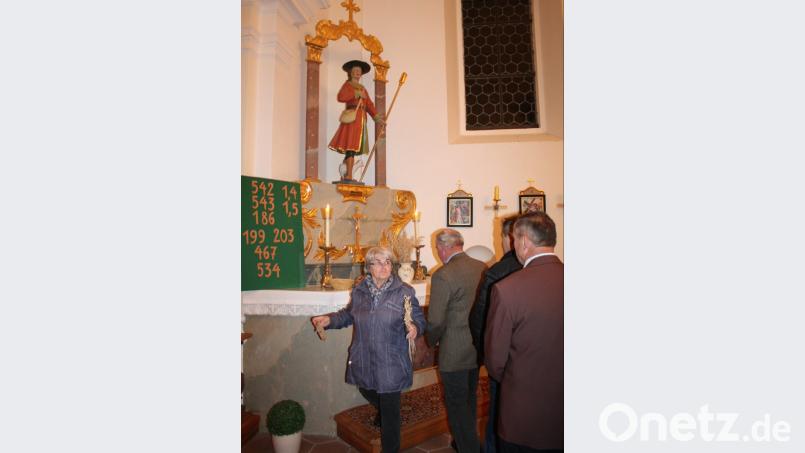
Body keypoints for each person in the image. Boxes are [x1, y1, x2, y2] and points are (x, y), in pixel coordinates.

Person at [311, 246, 425, 453]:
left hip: (391, 359)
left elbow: (418, 319)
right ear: (368, 267)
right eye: (378, 262)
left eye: (388, 262)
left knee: (391, 415)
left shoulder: (404, 292)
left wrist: (415, 328)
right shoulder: (360, 291)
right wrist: (329, 320)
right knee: (364, 387)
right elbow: (348, 315)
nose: (384, 266)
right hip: (365, 355)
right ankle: (384, 407)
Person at [484, 212, 563, 452]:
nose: (513, 245)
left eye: (514, 239)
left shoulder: (507, 289)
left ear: (525, 242)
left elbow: (495, 361)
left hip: (523, 417)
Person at [426, 229, 487, 453]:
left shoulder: (443, 275)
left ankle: (468, 447)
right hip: (475, 347)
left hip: (453, 351)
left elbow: (434, 321)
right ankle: (464, 440)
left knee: (456, 405)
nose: (438, 252)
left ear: (443, 248)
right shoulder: (481, 267)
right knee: (469, 399)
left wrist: (431, 341)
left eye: (437, 248)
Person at [468, 215, 522, 453]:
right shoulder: (543, 269)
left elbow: (479, 318)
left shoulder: (498, 271)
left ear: (510, 238)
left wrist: (486, 359)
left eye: (499, 235)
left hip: (503, 360)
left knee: (497, 416)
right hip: (534, 360)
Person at [328, 60, 385, 183]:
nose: (357, 73)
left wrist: (377, 117)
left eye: (359, 71)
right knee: (350, 146)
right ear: (351, 73)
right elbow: (341, 97)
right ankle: (348, 176)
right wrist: (355, 93)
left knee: (353, 147)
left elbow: (369, 104)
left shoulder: (363, 88)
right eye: (355, 71)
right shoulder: (348, 85)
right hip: (352, 119)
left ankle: (346, 173)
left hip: (361, 119)